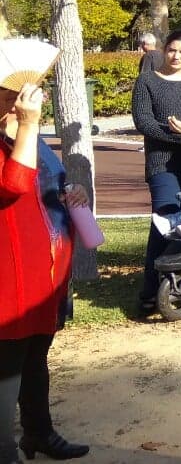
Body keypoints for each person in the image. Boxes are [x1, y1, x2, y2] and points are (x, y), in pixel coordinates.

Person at [0, 79, 90, 462]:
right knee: (6, 368)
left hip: (41, 268)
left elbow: (47, 180)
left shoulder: (19, 131)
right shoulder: (24, 129)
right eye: (6, 94)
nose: (15, 100)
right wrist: (30, 124)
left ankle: (38, 433)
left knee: (36, 356)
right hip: (7, 273)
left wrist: (73, 191)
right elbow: (13, 185)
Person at [131, 30, 181, 314]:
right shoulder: (148, 81)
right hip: (162, 163)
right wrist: (179, 136)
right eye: (172, 50)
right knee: (164, 220)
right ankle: (151, 290)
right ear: (164, 50)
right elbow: (143, 122)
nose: (176, 56)